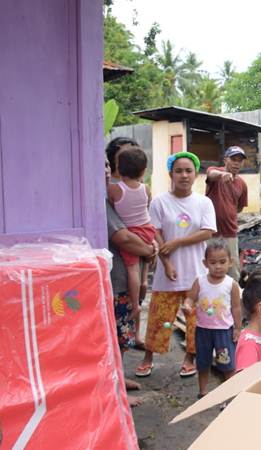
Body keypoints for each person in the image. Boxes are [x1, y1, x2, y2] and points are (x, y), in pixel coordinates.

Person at [135, 152, 216, 379]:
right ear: (170, 173)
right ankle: (148, 358)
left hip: (196, 273)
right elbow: (155, 231)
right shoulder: (160, 201)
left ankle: (189, 359)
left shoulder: (204, 202)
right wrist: (167, 262)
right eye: (178, 171)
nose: (184, 175)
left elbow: (207, 231)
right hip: (166, 272)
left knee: (194, 319)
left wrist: (177, 242)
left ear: (196, 174)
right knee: (159, 317)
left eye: (188, 171)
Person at [104, 158, 158, 407]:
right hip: (114, 283)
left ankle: (118, 379)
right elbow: (124, 237)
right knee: (113, 337)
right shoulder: (102, 201)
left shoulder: (112, 194)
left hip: (121, 282)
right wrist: (149, 249)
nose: (105, 169)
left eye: (107, 164)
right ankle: (113, 387)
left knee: (121, 335)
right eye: (100, 165)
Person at [182, 240, 242, 398]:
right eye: (213, 262)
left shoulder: (231, 284)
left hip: (224, 332)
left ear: (230, 262)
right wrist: (187, 305)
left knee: (227, 364)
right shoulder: (200, 281)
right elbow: (190, 298)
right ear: (205, 263)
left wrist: (237, 328)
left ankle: (229, 395)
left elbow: (236, 308)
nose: (218, 266)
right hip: (203, 331)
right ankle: (202, 392)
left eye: (222, 262)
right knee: (203, 363)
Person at [105, 137, 149, 348]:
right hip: (145, 233)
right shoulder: (144, 188)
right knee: (144, 261)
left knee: (133, 270)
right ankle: (143, 285)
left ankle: (136, 301)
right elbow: (123, 236)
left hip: (134, 241)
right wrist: (150, 249)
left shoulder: (114, 190)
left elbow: (126, 234)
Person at [205, 146, 249, 281]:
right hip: (210, 231)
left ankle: (232, 299)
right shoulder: (216, 174)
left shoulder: (242, 184)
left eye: (239, 160)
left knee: (232, 270)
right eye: (233, 159)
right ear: (225, 160)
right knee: (209, 267)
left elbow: (239, 208)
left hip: (230, 232)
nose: (236, 163)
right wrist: (222, 174)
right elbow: (211, 174)